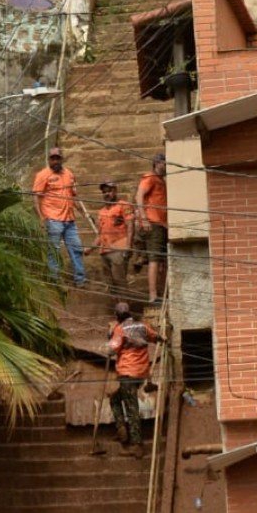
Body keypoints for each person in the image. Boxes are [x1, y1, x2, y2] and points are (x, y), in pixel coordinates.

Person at [107, 301, 157, 459]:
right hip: (141, 374)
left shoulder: (119, 329)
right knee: (115, 399)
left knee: (131, 407)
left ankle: (137, 445)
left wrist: (110, 335)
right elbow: (157, 337)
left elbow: (111, 349)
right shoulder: (142, 326)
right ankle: (121, 428)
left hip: (127, 374)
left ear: (117, 316)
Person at [31, 147, 87, 286]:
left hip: (70, 219)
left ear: (62, 159)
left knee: (76, 249)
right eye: (52, 158)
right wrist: (41, 218)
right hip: (53, 219)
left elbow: (74, 196)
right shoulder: (43, 175)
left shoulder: (69, 174)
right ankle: (54, 280)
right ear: (49, 159)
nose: (55, 161)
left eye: (57, 158)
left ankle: (80, 280)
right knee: (54, 250)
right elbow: (36, 197)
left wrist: (83, 212)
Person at [134, 153, 168, 304]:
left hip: (159, 224)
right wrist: (144, 218)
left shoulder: (161, 180)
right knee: (154, 259)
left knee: (160, 260)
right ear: (157, 163)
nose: (166, 166)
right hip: (152, 223)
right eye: (165, 163)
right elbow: (139, 196)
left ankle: (159, 293)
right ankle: (153, 296)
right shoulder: (150, 178)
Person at [89, 180, 132, 294]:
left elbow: (131, 226)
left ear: (115, 191)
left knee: (120, 281)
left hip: (119, 248)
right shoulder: (101, 212)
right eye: (104, 192)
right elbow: (100, 234)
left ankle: (125, 308)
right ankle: (118, 308)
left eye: (109, 191)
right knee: (110, 284)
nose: (106, 194)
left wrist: (128, 246)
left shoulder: (123, 205)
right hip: (104, 251)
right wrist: (90, 249)